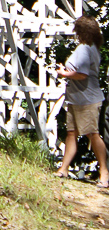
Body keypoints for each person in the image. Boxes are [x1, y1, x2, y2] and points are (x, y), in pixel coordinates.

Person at [55, 16, 109, 187]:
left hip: (87, 99)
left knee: (92, 134)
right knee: (71, 132)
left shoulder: (84, 49)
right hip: (77, 98)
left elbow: (82, 74)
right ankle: (64, 168)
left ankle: (104, 172)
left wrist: (64, 73)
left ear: (81, 31)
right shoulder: (93, 48)